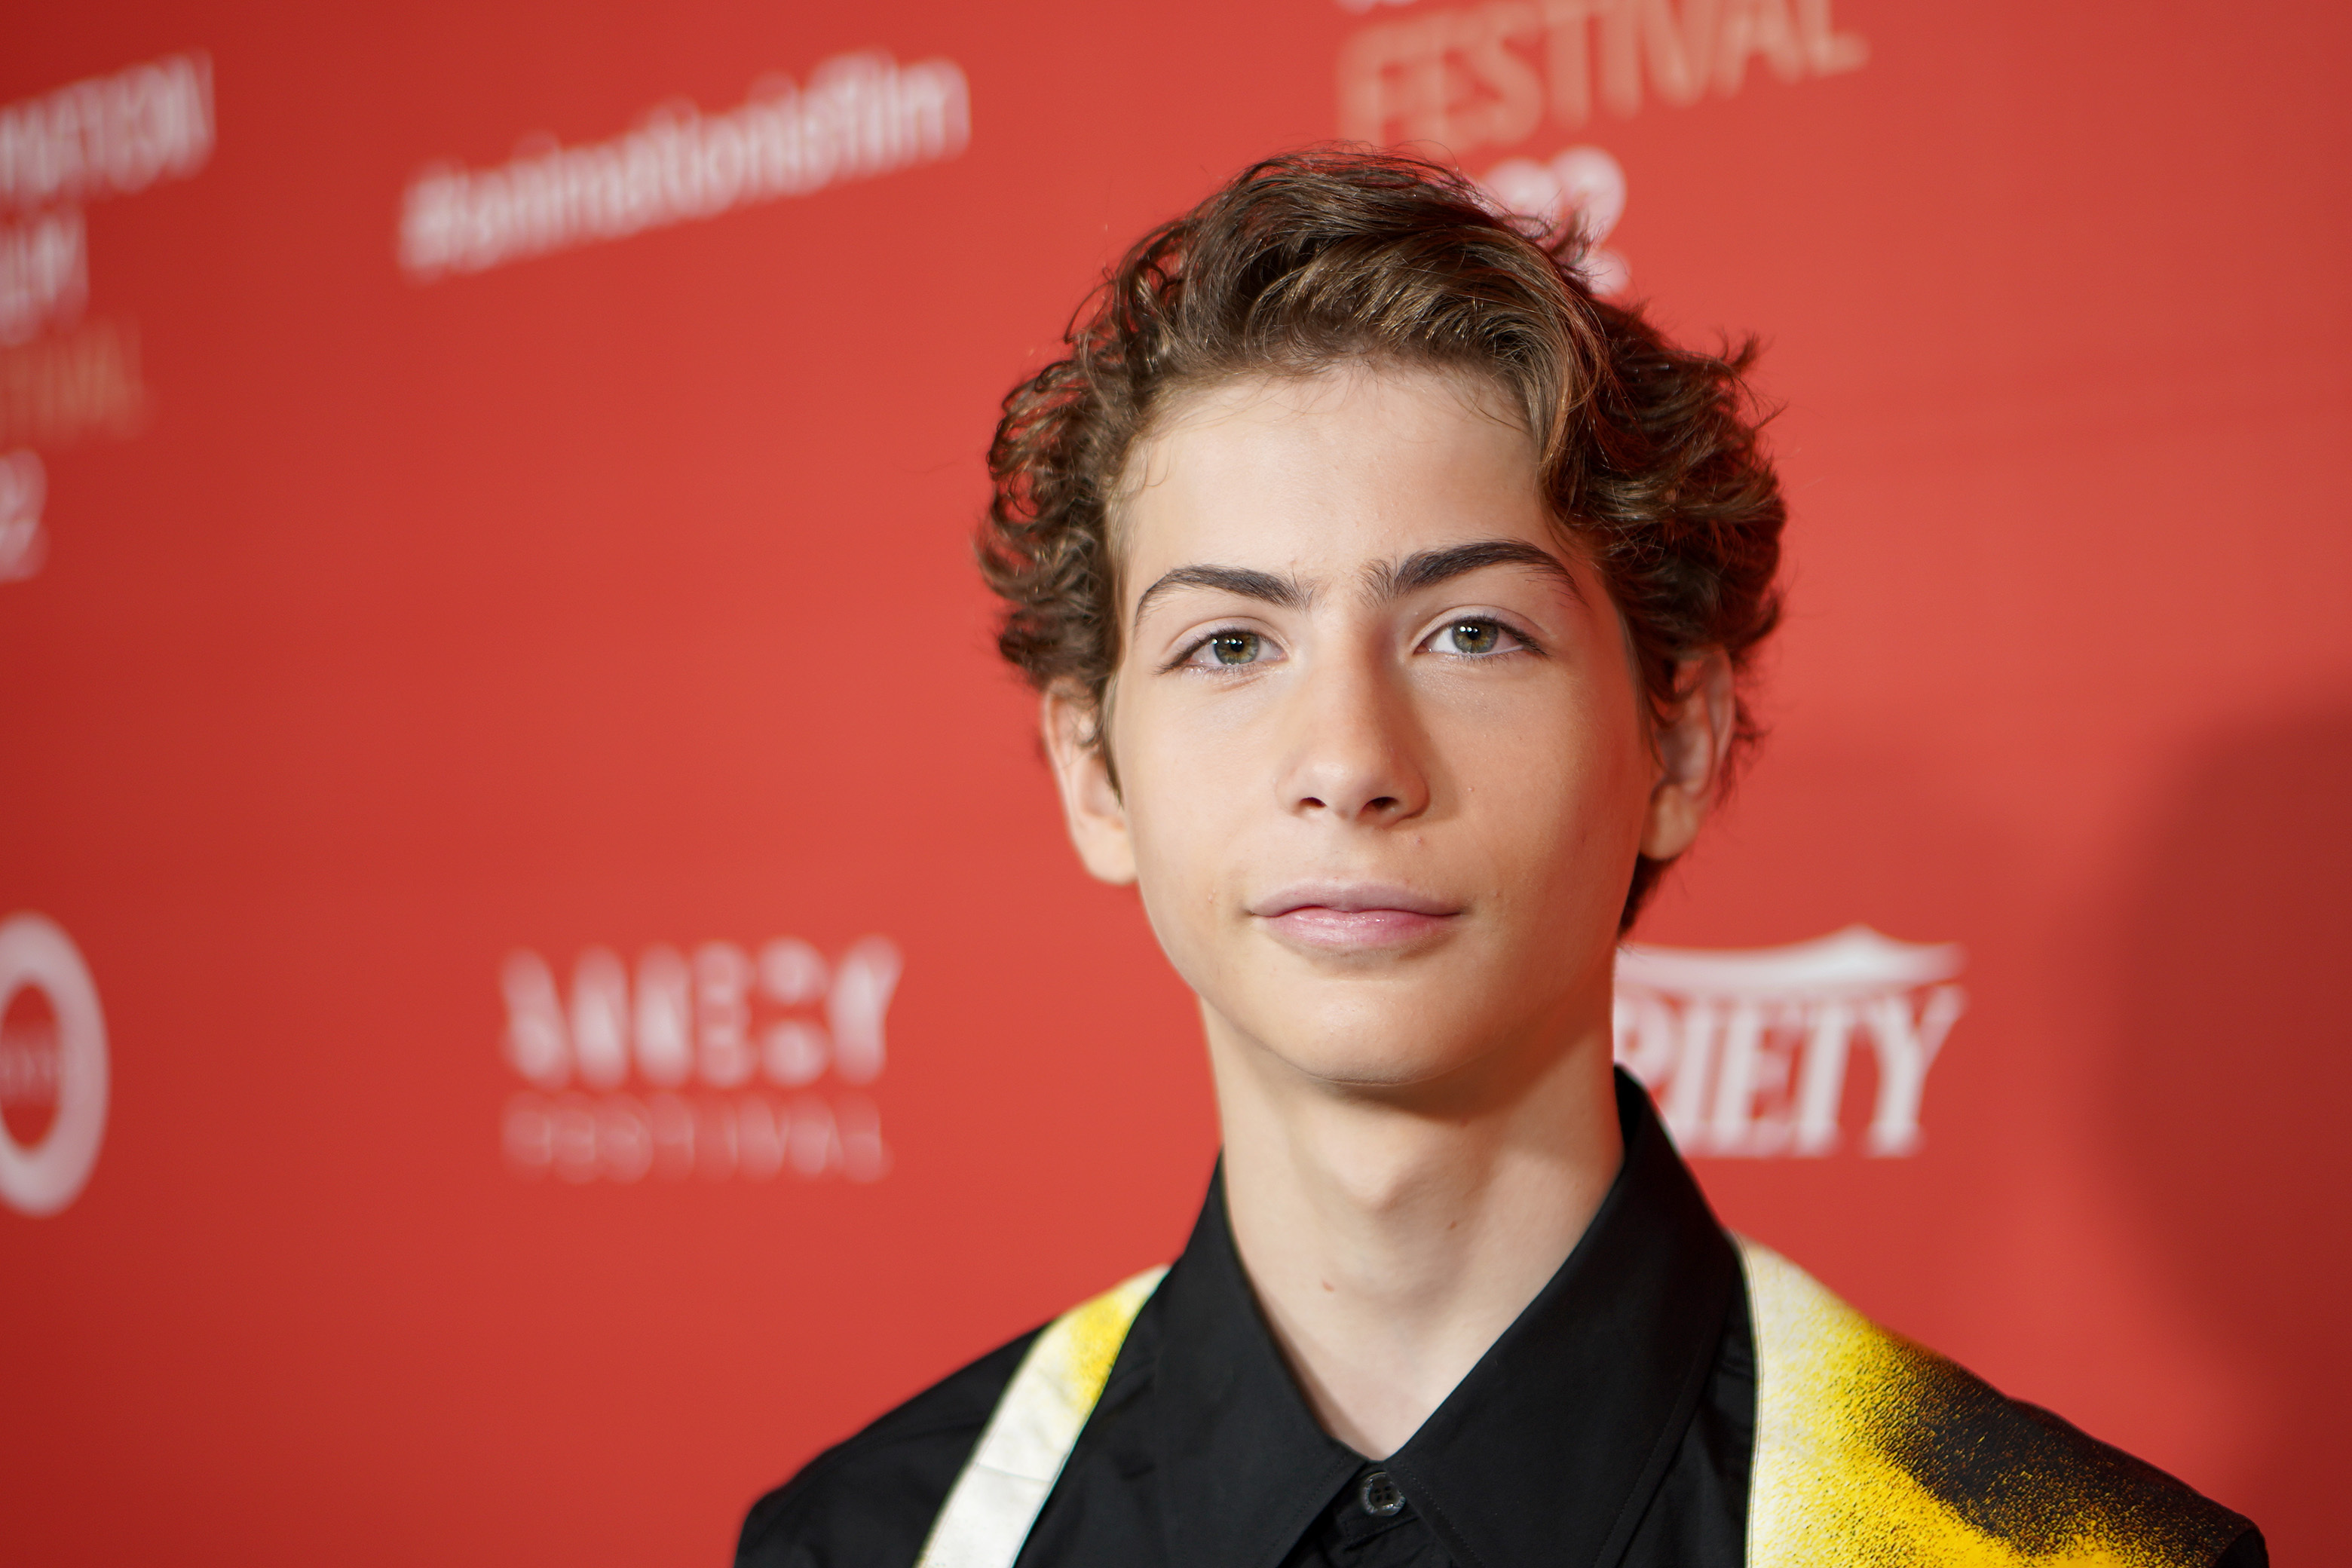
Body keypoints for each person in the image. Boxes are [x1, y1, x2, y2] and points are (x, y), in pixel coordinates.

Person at [736, 149, 2264, 1568]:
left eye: (1472, 631)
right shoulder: (870, 1537)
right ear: (1094, 772)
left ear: (1675, 739)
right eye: (1229, 642)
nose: (1349, 759)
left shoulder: (2066, 1551)